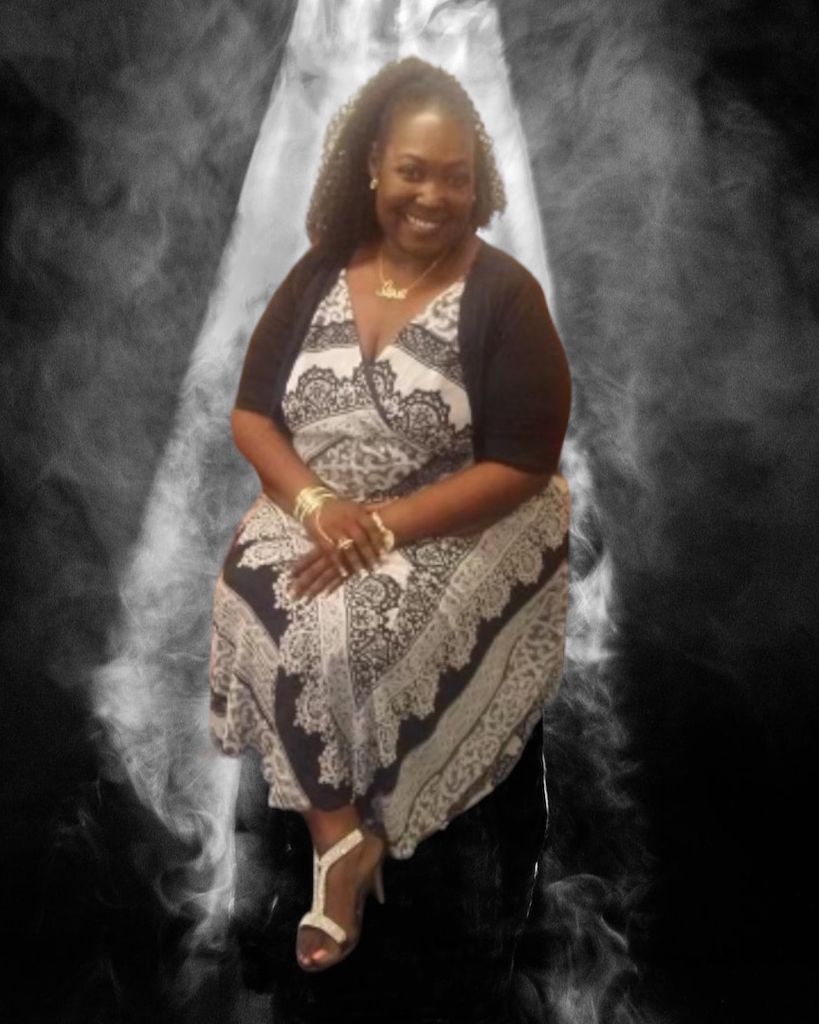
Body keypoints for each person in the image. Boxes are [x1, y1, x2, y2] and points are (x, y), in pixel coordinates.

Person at [208, 55, 572, 973]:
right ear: (372, 163)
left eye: (455, 176)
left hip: (461, 515)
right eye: (413, 171)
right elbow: (251, 415)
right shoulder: (319, 273)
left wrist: (383, 528)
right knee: (255, 586)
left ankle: (383, 850)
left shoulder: (504, 294)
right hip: (318, 504)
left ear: (478, 181)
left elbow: (525, 463)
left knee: (345, 632)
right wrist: (320, 505)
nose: (433, 196)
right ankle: (340, 841)